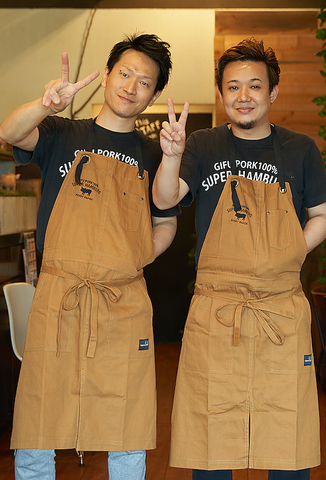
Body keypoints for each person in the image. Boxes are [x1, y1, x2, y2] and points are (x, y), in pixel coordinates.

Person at [153, 38, 326, 480]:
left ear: (273, 92)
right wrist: (171, 158)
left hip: (279, 307)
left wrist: (286, 253)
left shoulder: (300, 149)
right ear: (221, 94)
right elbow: (165, 199)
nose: (243, 96)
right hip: (217, 310)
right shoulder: (202, 144)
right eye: (233, 87)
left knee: (285, 435)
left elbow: (324, 217)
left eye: (255, 85)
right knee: (212, 436)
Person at [0, 33, 180, 480]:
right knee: (40, 417)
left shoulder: (155, 154)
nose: (131, 87)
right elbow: (10, 132)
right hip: (59, 296)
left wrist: (138, 257)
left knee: (126, 423)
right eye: (125, 74)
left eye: (144, 82)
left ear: (154, 95)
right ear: (106, 75)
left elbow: (166, 220)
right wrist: (45, 105)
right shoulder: (62, 133)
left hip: (123, 301)